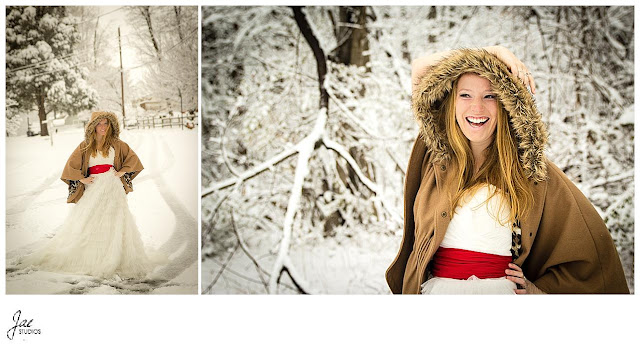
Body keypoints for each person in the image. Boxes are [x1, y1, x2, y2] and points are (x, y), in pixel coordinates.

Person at [385, 46, 629, 294]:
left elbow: (588, 251)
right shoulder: (437, 157)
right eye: (466, 95)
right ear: (451, 101)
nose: (477, 108)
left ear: (506, 104)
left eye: (490, 96)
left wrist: (536, 292)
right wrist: (493, 52)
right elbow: (420, 68)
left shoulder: (530, 172)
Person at [15, 111, 156, 280]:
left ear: (111, 125)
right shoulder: (85, 145)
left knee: (116, 220)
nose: (103, 127)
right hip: (94, 187)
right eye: (99, 124)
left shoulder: (117, 144)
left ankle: (115, 257)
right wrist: (82, 178)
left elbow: (133, 161)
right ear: (93, 126)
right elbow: (70, 167)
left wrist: (121, 172)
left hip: (113, 188)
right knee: (90, 220)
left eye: (106, 124)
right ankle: (90, 257)